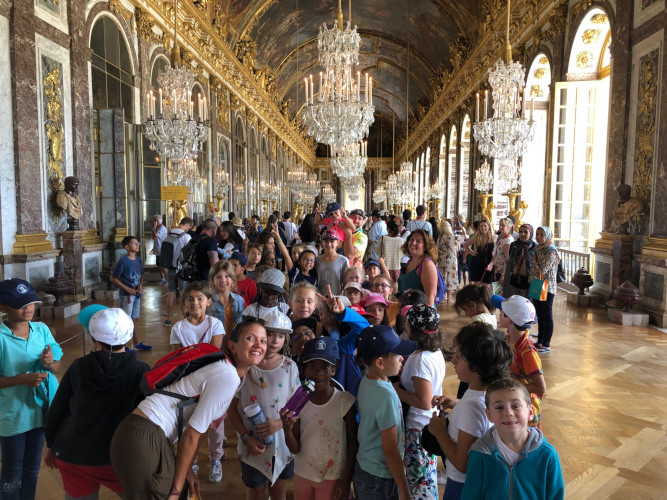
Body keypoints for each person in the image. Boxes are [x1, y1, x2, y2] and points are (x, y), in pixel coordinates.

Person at [110, 317, 268, 499]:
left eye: (263, 340)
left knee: (184, 487)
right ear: (232, 346)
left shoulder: (230, 373)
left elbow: (201, 429)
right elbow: (191, 434)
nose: (258, 345)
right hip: (144, 437)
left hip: (141, 435)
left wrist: (187, 472)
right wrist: (176, 490)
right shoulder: (227, 375)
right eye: (251, 338)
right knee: (176, 492)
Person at [44, 307, 149, 500]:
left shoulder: (78, 366)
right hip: (118, 458)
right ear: (128, 337)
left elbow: (57, 409)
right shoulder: (140, 371)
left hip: (73, 454)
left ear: (93, 339)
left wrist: (52, 444)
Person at [425, 323, 512, 500]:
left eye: (459, 357)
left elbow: (462, 464)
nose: (454, 360)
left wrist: (440, 432)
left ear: (478, 369)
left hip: (463, 485)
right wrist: (458, 403)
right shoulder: (490, 394)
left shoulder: (471, 408)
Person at [0, 279, 63, 500]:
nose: (28, 309)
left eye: (31, 303)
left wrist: (49, 362)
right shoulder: (1, 338)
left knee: (31, 471)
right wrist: (21, 379)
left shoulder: (42, 329)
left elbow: (57, 365)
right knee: (11, 473)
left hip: (38, 415)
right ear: (3, 307)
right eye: (20, 304)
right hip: (11, 418)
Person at [228, 312, 299, 500]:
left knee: (278, 489)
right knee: (256, 491)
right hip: (252, 445)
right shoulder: (245, 367)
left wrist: (280, 423)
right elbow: (231, 408)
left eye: (281, 336)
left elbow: (298, 405)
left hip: (282, 444)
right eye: (270, 334)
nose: (275, 340)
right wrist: (245, 437)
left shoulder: (290, 367)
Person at [281, 336, 358, 499]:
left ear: (333, 370)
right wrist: (286, 430)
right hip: (303, 474)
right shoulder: (298, 403)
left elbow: (353, 445)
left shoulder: (345, 401)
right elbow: (295, 449)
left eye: (325, 366)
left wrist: (345, 480)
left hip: (333, 477)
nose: (318, 373)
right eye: (311, 366)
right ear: (304, 370)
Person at [461, 379, 564, 500]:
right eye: (499, 407)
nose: (508, 412)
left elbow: (555, 495)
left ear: (530, 412)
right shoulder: (480, 453)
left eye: (515, 406)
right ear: (489, 415)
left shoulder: (547, 455)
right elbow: (470, 495)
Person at [354, 325, 417, 500]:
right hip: (380, 477)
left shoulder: (367, 380)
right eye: (397, 355)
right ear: (380, 363)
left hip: (365, 468)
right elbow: (389, 449)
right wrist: (404, 488)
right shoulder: (386, 395)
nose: (402, 359)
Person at [393, 304, 446, 499]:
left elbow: (424, 401)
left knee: (419, 484)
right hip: (426, 425)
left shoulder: (420, 359)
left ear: (410, 326)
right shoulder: (435, 350)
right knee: (425, 479)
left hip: (418, 428)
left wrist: (396, 391)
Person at [493, 295, 545, 429]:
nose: (499, 314)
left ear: (509, 320)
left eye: (502, 312)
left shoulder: (527, 352)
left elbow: (540, 387)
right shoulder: (510, 340)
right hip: (514, 404)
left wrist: (511, 387)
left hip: (526, 413)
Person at [110, 235, 151, 350]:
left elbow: (141, 274)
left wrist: (141, 285)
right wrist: (126, 288)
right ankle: (124, 346)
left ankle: (136, 343)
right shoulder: (123, 261)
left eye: (137, 243)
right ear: (127, 247)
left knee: (134, 319)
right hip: (127, 295)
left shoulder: (138, 259)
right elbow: (113, 278)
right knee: (126, 320)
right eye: (134, 243)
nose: (137, 245)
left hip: (137, 294)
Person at [529, 226, 560, 353]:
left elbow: (542, 270)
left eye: (542, 234)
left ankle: (546, 343)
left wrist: (534, 261)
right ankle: (540, 341)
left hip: (547, 285)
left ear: (547, 236)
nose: (539, 237)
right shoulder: (538, 249)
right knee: (540, 314)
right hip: (537, 283)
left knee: (547, 315)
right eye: (537, 234)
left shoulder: (551, 251)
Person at [164, 217, 194, 327]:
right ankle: (185, 319)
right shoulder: (186, 236)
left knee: (171, 292)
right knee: (183, 294)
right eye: (189, 227)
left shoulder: (169, 233)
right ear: (187, 225)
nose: (188, 230)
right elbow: (188, 254)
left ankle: (168, 319)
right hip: (181, 269)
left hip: (170, 266)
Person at [398, 229, 439, 306]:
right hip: (406, 311)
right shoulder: (410, 262)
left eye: (418, 241)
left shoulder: (426, 264)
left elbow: (430, 296)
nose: (413, 243)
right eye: (411, 239)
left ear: (426, 246)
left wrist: (427, 316)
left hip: (420, 314)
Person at [208, 260, 245, 335]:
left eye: (227, 276)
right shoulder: (208, 301)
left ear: (232, 280)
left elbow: (241, 326)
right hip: (215, 344)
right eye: (218, 277)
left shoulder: (239, 300)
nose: (223, 280)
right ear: (213, 280)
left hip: (234, 343)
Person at [504, 224, 537, 299]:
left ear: (530, 233)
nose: (522, 234)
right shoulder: (514, 245)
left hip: (528, 281)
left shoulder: (535, 247)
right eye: (520, 232)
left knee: (524, 305)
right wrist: (503, 275)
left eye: (526, 232)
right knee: (512, 302)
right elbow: (508, 261)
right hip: (513, 279)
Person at [316, 229, 349, 296]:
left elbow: (346, 282)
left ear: (337, 243)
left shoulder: (343, 260)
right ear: (322, 242)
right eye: (326, 241)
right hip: (319, 297)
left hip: (336, 298)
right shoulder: (316, 260)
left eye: (332, 241)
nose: (329, 244)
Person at [463, 219, 495, 286]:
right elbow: (465, 244)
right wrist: (471, 253)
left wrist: (491, 263)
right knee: (476, 286)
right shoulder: (476, 237)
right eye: (481, 226)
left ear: (489, 227)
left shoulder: (494, 237)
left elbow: (496, 253)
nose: (483, 228)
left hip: (489, 263)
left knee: (486, 286)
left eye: (485, 226)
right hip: (477, 263)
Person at [487, 217, 514, 293]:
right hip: (497, 269)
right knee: (496, 291)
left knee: (500, 292)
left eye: (503, 225)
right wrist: (491, 264)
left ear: (509, 227)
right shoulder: (502, 238)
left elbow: (507, 259)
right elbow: (497, 254)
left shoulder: (508, 240)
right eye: (500, 225)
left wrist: (503, 274)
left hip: (502, 270)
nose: (500, 227)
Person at [437, 220, 460, 303]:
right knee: (450, 277)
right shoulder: (453, 236)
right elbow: (463, 239)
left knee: (442, 277)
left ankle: (443, 296)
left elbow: (437, 249)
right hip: (451, 260)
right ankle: (449, 297)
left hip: (441, 260)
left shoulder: (440, 238)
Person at [151, 215, 168, 285]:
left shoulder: (161, 228)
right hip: (158, 249)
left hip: (162, 250)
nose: (153, 222)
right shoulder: (158, 228)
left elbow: (155, 237)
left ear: (157, 221)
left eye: (154, 220)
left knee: (162, 266)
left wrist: (153, 228)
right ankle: (163, 279)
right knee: (158, 265)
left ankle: (168, 279)